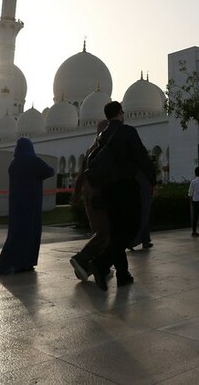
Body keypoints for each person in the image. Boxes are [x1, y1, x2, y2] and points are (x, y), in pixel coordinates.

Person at [73, 101, 155, 290]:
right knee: (133, 228)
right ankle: (101, 263)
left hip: (107, 190)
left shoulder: (102, 136)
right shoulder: (127, 131)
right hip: (125, 187)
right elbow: (141, 156)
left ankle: (123, 275)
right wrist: (152, 180)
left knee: (117, 231)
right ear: (120, 113)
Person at [0, 137, 55, 275]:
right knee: (31, 233)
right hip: (32, 203)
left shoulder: (13, 164)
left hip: (16, 205)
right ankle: (26, 262)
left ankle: (9, 263)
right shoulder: (33, 161)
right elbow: (50, 171)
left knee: (16, 233)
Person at [70, 120, 111, 280]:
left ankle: (96, 267)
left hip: (89, 195)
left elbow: (81, 175)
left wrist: (75, 194)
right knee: (105, 231)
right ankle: (82, 259)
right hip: (99, 194)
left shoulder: (90, 150)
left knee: (99, 230)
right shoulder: (103, 149)